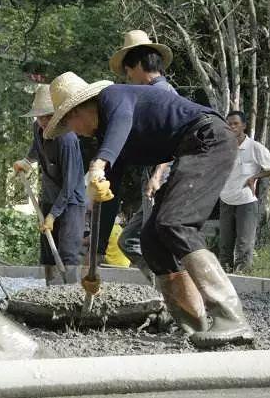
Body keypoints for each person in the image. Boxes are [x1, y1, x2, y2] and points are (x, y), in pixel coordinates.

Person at [43, 71, 253, 348]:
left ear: (81, 108)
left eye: (70, 121)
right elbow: (109, 200)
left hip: (208, 138)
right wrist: (94, 257)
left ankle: (231, 317)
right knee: (151, 239)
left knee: (175, 223)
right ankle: (192, 323)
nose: (75, 131)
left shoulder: (114, 97)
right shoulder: (108, 137)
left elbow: (122, 120)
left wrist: (100, 162)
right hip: (190, 150)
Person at [110, 30, 176, 284]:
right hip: (150, 180)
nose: (128, 78)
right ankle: (161, 285)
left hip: (162, 180)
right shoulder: (151, 93)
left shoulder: (163, 93)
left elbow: (171, 140)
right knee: (129, 240)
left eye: (128, 71)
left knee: (155, 241)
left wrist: (158, 175)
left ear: (137, 65)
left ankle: (172, 292)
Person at [13, 84, 86, 285]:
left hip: (71, 201)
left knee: (68, 252)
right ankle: (51, 292)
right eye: (40, 117)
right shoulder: (38, 128)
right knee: (47, 251)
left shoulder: (67, 139)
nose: (44, 121)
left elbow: (70, 184)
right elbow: (36, 149)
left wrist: (54, 215)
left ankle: (71, 293)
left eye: (48, 116)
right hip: (49, 195)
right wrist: (26, 162)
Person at [219, 111, 270, 273]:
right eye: (229, 124)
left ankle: (243, 278)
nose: (232, 127)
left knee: (244, 245)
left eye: (235, 123)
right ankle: (225, 276)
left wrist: (255, 177)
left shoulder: (254, 147)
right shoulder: (223, 146)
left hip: (246, 202)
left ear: (244, 125)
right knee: (225, 244)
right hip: (225, 200)